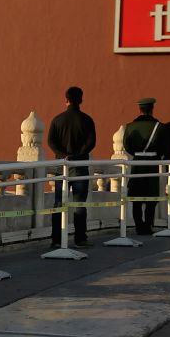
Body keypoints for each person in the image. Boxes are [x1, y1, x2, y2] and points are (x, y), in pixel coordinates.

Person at [47, 86, 96, 248]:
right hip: (80, 166)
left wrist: (63, 155)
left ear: (66, 99)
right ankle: (80, 238)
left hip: (61, 167)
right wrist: (77, 155)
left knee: (59, 203)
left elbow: (51, 142)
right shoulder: (87, 120)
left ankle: (56, 239)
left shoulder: (57, 120)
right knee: (79, 203)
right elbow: (91, 143)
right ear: (81, 100)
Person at [122, 97, 163, 235]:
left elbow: (126, 146)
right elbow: (166, 147)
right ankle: (148, 224)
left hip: (137, 163)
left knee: (136, 197)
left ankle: (139, 226)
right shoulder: (159, 127)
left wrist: (138, 153)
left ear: (140, 109)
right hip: (152, 164)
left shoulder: (129, 127)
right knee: (151, 197)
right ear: (152, 109)